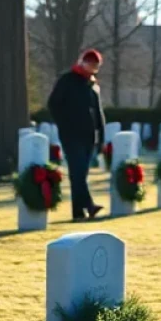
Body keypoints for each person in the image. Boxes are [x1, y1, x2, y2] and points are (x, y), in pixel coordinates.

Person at [47, 48, 106, 220]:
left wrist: (101, 137)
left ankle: (78, 212)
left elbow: (98, 112)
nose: (93, 67)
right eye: (90, 63)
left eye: (96, 65)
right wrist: (64, 124)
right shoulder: (68, 80)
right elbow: (53, 104)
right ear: (82, 62)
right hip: (71, 134)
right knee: (78, 171)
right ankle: (89, 205)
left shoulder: (93, 85)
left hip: (89, 135)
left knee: (79, 174)